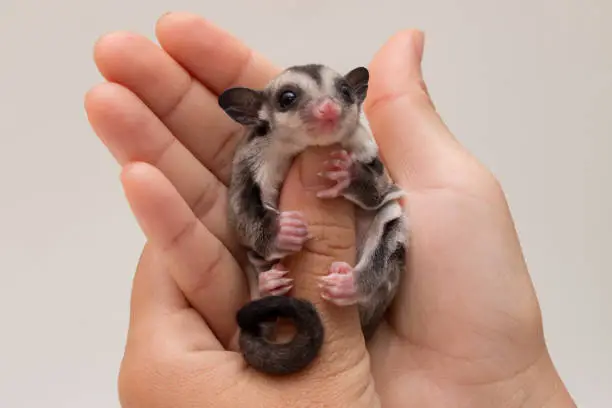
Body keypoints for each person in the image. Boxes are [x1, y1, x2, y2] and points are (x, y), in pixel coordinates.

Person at [85, 12, 576, 408]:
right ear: (260, 114)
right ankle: (270, 294)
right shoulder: (257, 154)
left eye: (341, 95)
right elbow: (249, 216)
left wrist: (357, 186)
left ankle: (360, 281)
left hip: (370, 292)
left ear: (355, 99)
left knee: (393, 219)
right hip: (288, 301)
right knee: (252, 254)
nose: (326, 110)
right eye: (294, 99)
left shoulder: (359, 142)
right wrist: (272, 238)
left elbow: (381, 194)